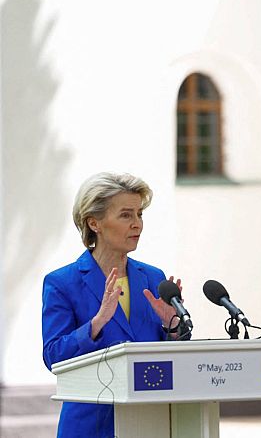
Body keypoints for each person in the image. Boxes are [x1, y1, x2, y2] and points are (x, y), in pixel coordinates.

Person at [42, 172, 189, 438]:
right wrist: (96, 323)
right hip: (90, 425)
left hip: (151, 421)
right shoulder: (62, 283)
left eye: (139, 214)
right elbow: (53, 356)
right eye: (125, 215)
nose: (137, 224)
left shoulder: (153, 277)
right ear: (94, 223)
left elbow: (171, 357)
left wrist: (173, 327)